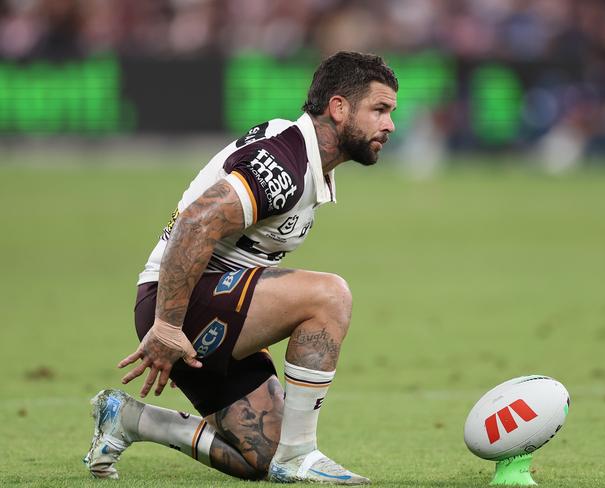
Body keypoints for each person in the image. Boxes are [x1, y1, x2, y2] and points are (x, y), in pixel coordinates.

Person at [84, 51, 398, 485]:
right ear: (339, 107)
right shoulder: (286, 165)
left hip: (210, 301)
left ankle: (131, 419)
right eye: (379, 109)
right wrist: (168, 326)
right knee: (329, 295)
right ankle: (301, 455)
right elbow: (196, 221)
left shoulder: (305, 159)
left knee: (259, 459)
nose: (390, 124)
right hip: (178, 304)